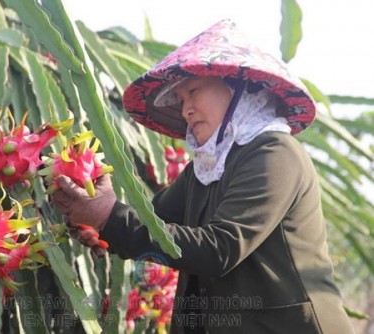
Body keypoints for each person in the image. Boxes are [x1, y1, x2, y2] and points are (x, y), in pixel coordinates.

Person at [52, 19, 355, 333]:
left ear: (239, 86)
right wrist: (100, 225)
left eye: (193, 92)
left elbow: (219, 249)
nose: (186, 110)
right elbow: (153, 220)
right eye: (182, 100)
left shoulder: (275, 153)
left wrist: (108, 216)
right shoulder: (205, 169)